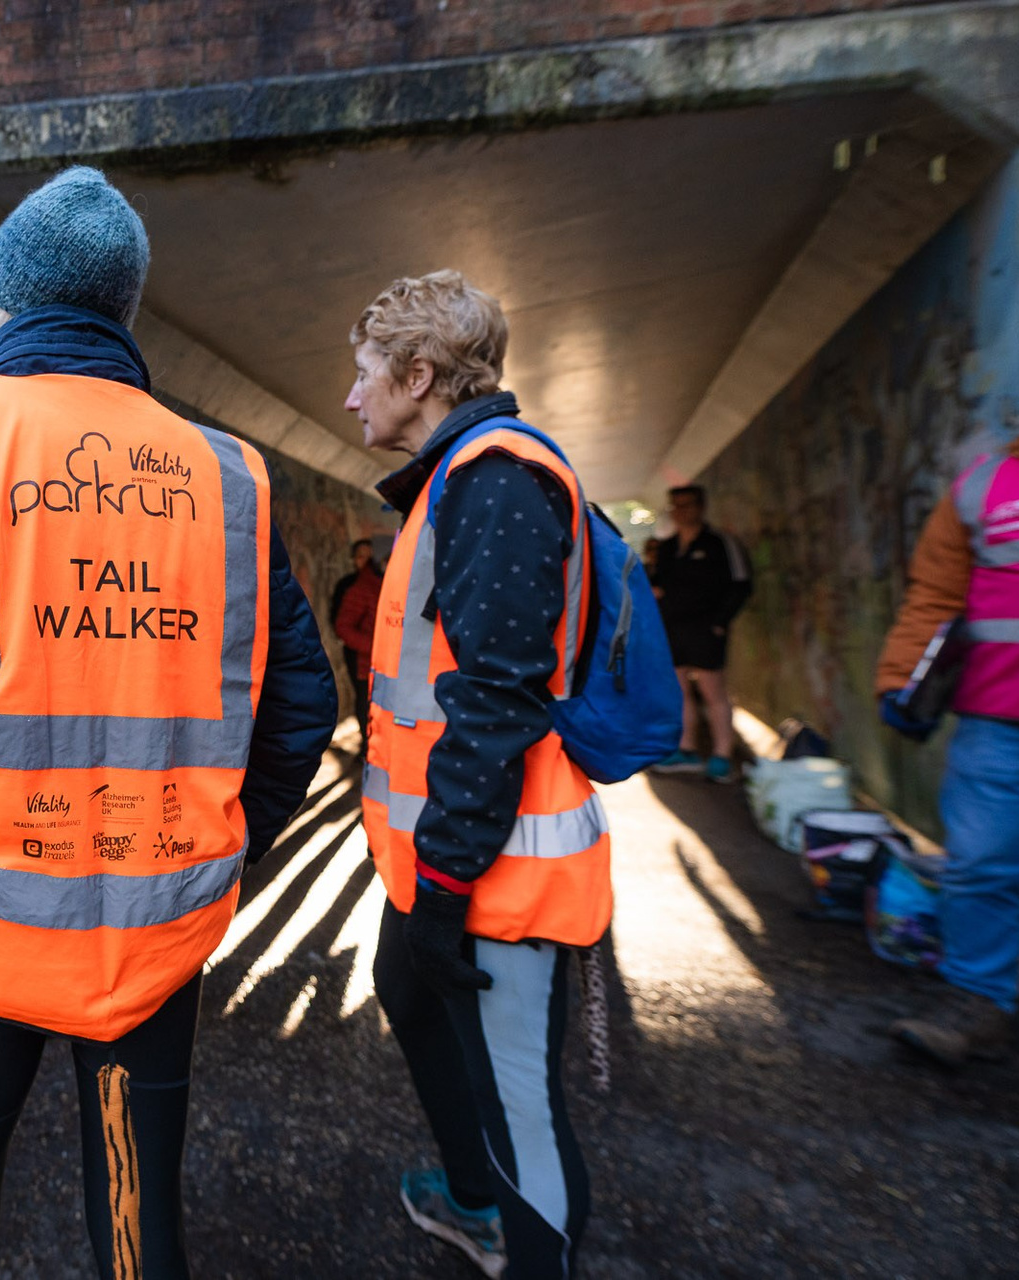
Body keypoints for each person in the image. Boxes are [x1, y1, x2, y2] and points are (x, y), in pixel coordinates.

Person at [0, 167, 336, 1280]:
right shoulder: (228, 475)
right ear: (124, 309)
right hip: (150, 935)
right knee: (137, 1231)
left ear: (2, 299)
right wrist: (221, 854)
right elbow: (304, 706)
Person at [350, 271, 604, 1280]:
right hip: (446, 856)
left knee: (521, 1111)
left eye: (365, 373)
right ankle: (472, 1200)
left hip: (495, 870)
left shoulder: (497, 480)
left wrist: (447, 883)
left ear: (419, 375)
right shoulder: (456, 478)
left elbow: (496, 701)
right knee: (405, 992)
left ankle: (522, 1241)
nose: (352, 396)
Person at [878, 414, 1019, 1068]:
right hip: (1001, 719)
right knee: (981, 861)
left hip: (1000, 720)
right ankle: (979, 999)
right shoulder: (985, 486)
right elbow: (936, 597)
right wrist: (901, 678)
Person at [648, 485, 753, 782]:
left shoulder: (720, 543)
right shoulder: (666, 548)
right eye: (676, 505)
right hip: (672, 630)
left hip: (705, 630)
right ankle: (687, 750)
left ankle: (722, 755)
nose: (681, 511)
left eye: (688, 504)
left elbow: (741, 584)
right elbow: (656, 583)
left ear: (701, 506)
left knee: (713, 692)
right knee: (679, 692)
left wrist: (720, 622)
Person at [332, 540, 383, 739]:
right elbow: (341, 624)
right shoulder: (352, 585)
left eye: (370, 556)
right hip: (360, 654)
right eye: (361, 556)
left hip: (376, 654)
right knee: (364, 698)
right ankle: (365, 745)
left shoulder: (378, 581)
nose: (366, 560)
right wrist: (373, 646)